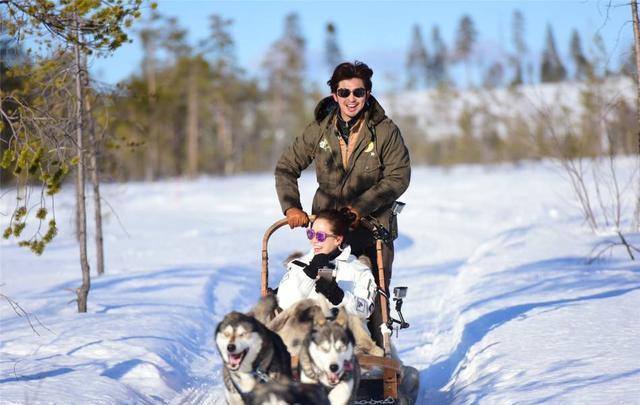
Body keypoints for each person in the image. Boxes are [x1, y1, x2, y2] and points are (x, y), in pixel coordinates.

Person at [274, 61, 411, 344]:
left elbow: (399, 176)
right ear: (334, 95)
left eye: (358, 93)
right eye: (344, 92)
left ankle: (376, 351)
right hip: (327, 228)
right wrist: (291, 207)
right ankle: (310, 346)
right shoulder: (320, 130)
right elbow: (287, 166)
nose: (351, 99)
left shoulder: (384, 131)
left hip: (371, 228)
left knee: (371, 292)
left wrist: (361, 207)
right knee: (315, 285)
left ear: (368, 94)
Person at [277, 208, 377, 323]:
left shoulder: (358, 269)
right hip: (306, 334)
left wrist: (340, 297)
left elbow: (365, 310)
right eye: (310, 234)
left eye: (320, 236)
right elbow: (284, 304)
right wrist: (309, 274)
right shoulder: (299, 265)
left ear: (338, 239)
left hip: (344, 334)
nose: (314, 240)